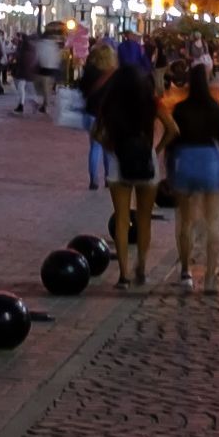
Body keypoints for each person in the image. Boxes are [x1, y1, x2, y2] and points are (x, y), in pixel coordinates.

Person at [90, 38, 162, 284]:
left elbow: (96, 133)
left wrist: (110, 146)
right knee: (144, 218)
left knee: (122, 218)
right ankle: (141, 267)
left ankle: (123, 274)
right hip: (145, 158)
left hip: (119, 159)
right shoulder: (150, 101)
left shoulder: (111, 102)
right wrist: (157, 149)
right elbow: (173, 129)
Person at [164, 62, 219, 293]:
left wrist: (170, 170)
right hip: (210, 161)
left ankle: (185, 271)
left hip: (185, 159)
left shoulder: (181, 109)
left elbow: (172, 141)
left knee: (185, 220)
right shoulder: (216, 109)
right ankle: (211, 277)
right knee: (212, 221)